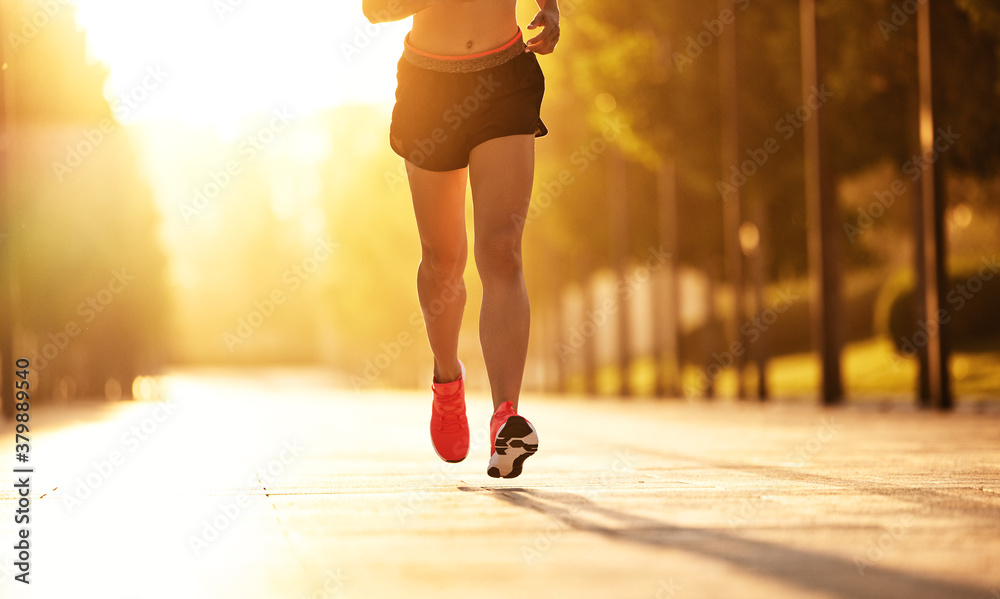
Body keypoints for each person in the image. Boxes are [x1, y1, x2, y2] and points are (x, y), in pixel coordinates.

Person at [362, 0, 559, 478]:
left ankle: (504, 417)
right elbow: (375, 10)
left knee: (501, 247)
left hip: (504, 73)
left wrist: (550, 9)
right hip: (431, 87)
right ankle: (447, 380)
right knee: (443, 259)